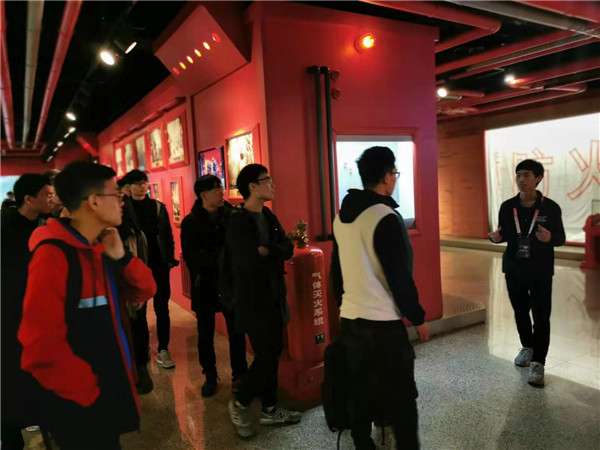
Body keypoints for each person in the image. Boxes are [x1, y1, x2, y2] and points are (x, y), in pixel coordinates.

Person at [17, 162, 156, 449]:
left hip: (107, 394)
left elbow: (146, 290)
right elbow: (39, 347)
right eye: (115, 194)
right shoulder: (53, 255)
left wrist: (122, 257)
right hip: (82, 406)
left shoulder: (100, 247)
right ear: (93, 201)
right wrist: (89, 393)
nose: (122, 200)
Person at [330, 146, 430, 450]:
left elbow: (336, 270)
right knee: (402, 396)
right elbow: (399, 276)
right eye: (395, 173)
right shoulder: (385, 216)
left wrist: (343, 304)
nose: (395, 178)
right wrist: (418, 317)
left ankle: (362, 443)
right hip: (383, 324)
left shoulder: (341, 217)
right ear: (386, 177)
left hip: (351, 319)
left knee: (359, 388)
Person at [225, 164, 301, 437]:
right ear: (252, 186)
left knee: (272, 354)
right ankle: (241, 402)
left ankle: (269, 408)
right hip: (252, 301)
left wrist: (267, 250)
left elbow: (287, 248)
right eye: (266, 179)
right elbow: (246, 263)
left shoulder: (267, 215)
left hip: (273, 296)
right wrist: (271, 252)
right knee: (266, 356)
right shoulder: (238, 221)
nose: (272, 184)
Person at [489, 159, 565, 387]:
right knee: (520, 312)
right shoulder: (508, 207)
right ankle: (527, 347)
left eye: (526, 175)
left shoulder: (550, 208)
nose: (521, 179)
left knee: (541, 316)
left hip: (540, 270)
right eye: (518, 175)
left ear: (538, 178)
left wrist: (550, 238)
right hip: (514, 268)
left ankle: (538, 362)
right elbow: (504, 233)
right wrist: (496, 238)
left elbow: (560, 238)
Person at [181, 175, 248, 397]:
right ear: (203, 195)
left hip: (230, 283)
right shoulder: (191, 222)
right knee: (205, 333)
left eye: (221, 187)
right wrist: (220, 259)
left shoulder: (232, 216)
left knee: (236, 332)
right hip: (205, 284)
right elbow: (191, 258)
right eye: (216, 189)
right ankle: (210, 375)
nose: (222, 192)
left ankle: (239, 376)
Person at [1, 174, 53, 450]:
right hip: (10, 314)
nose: (51, 199)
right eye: (46, 195)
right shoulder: (5, 227)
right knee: (10, 374)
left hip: (39, 313)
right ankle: (10, 436)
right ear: (29, 199)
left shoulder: (46, 225)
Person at [127, 169, 179, 369]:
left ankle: (164, 349)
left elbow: (167, 236)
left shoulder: (158, 207)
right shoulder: (125, 208)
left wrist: (169, 259)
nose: (142, 186)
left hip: (158, 264)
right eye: (137, 183)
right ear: (129, 187)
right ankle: (142, 347)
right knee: (139, 310)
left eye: (144, 182)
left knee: (162, 308)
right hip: (137, 266)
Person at [117, 174, 153, 394]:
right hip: (120, 295)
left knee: (137, 327)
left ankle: (139, 368)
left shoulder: (134, 235)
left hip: (130, 293)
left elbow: (142, 264)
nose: (120, 203)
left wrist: (138, 290)